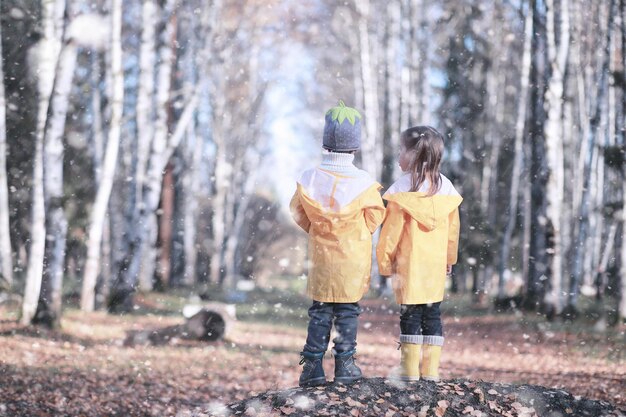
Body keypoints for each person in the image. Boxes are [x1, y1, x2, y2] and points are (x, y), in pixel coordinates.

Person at [290, 100, 385, 387]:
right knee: (347, 311)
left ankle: (313, 368)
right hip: (351, 258)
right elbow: (376, 214)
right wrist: (357, 232)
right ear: (354, 147)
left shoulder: (309, 178)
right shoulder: (363, 181)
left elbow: (297, 210)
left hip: (322, 257)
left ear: (325, 143)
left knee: (320, 311)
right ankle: (345, 364)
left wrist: (318, 229)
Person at [376, 125, 462, 382]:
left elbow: (390, 232)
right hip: (434, 266)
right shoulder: (445, 189)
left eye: (402, 150)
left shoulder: (402, 191)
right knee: (432, 314)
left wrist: (384, 261)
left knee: (410, 315)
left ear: (414, 155)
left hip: (409, 265)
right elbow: (452, 231)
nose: (398, 155)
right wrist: (449, 259)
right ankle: (431, 370)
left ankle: (410, 369)